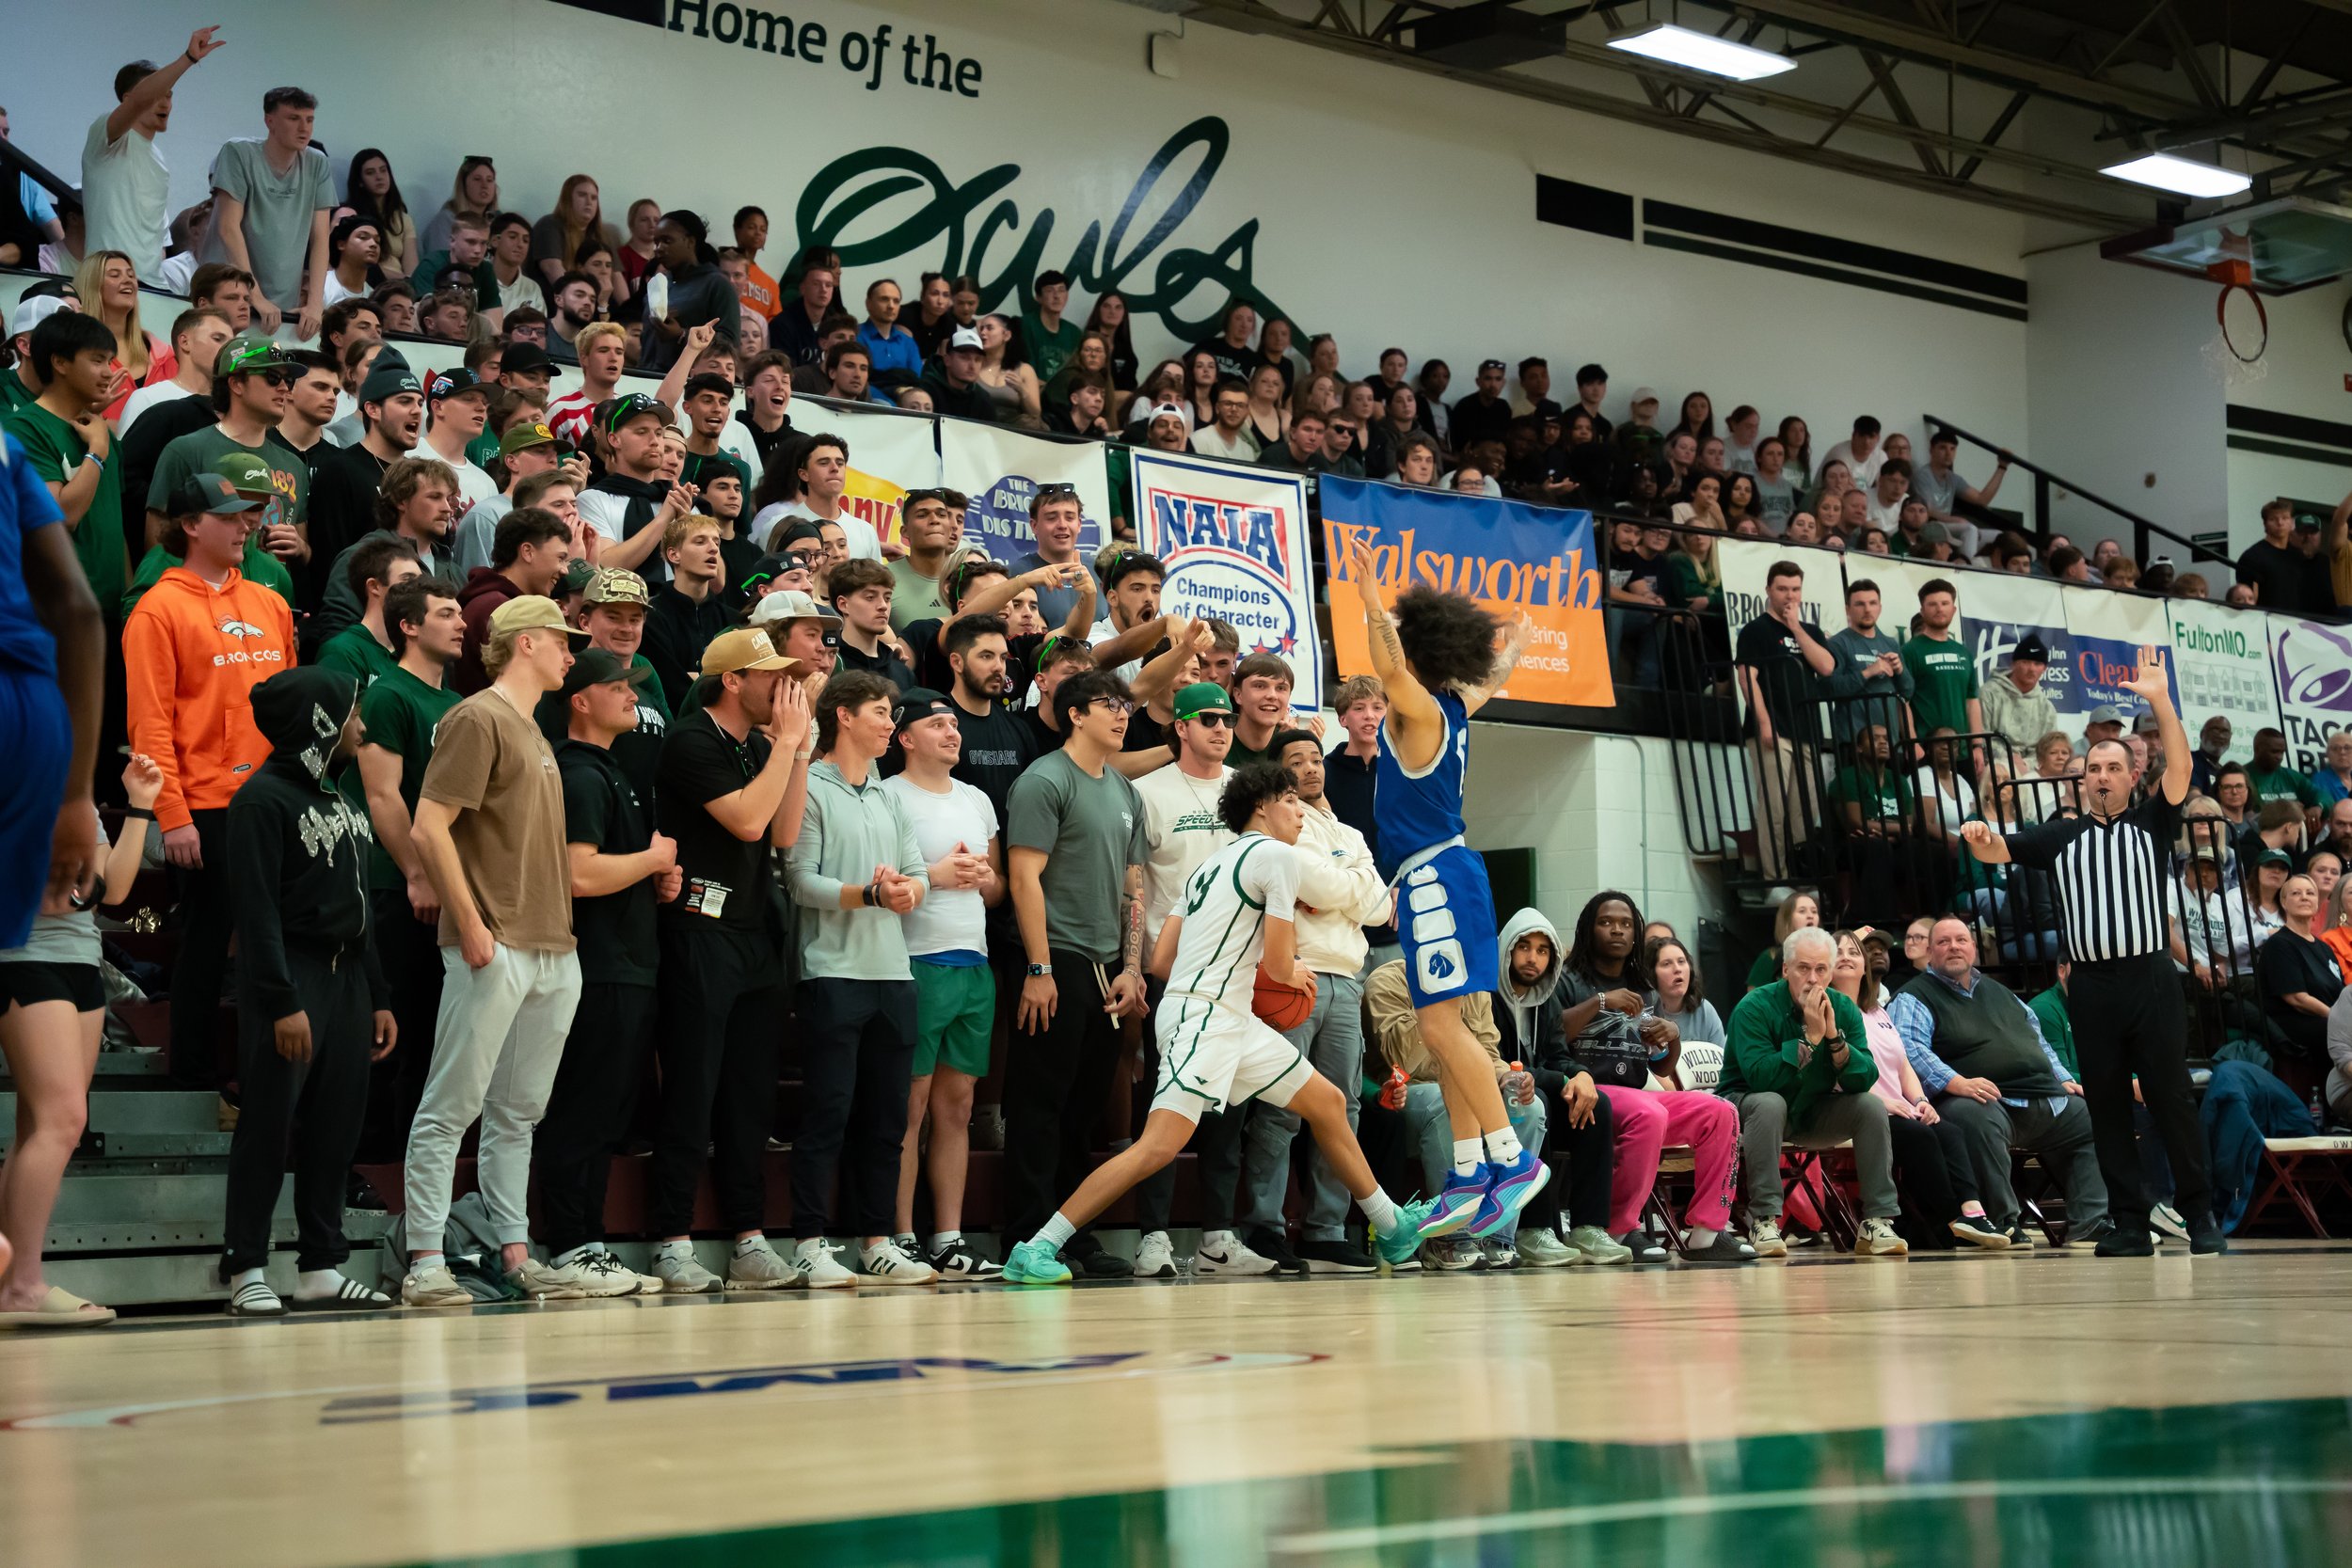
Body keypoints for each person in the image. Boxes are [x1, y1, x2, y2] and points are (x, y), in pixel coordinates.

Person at [1000, 765, 1436, 1284]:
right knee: (1157, 1146)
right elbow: (1277, 967)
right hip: (1206, 1018)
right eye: (1291, 801)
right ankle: (1037, 1247)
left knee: (1328, 1103)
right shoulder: (1276, 857)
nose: (1302, 812)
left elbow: (1162, 960)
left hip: (1220, 1013)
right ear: (1261, 807)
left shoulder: (1208, 867)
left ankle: (1390, 1226)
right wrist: (1292, 971)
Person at [1960, 645, 2223, 1257]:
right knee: (2105, 1104)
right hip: (2093, 987)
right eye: (2093, 767)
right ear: (2084, 779)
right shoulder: (2061, 835)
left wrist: (2159, 699)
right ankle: (2127, 1220)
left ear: (2133, 776)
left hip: (2151, 979)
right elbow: (2000, 849)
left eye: (2113, 765)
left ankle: (2200, 1215)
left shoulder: (2153, 822)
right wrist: (1978, 835)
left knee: (2170, 1099)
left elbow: (2180, 771)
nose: (2102, 774)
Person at [1339, 535, 1549, 1239]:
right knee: (1446, 1025)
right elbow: (1492, 677)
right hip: (1444, 873)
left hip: (1434, 874)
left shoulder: (1421, 711)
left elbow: (1386, 665)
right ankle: (1467, 1172)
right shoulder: (1457, 706)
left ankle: (1511, 1159)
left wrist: (1372, 601)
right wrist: (1512, 644)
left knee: (1437, 1026)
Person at [398, 597, 594, 1307]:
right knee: (452, 1105)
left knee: (520, 1111)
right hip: (496, 941)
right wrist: (470, 922)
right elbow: (427, 827)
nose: (574, 652)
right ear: (527, 642)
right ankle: (425, 1257)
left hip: (551, 944)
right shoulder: (477, 716)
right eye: (564, 641)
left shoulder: (535, 729)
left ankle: (513, 1248)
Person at [216, 668, 399, 1315]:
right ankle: (245, 1267)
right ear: (321, 722)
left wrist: (377, 993)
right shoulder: (261, 801)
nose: (362, 726)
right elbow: (257, 913)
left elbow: (361, 908)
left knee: (335, 1127)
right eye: (352, 714)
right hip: (291, 975)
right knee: (267, 1123)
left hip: (348, 978)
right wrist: (280, 1000)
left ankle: (321, 1264)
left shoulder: (344, 802)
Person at [644, 629, 815, 1292]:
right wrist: (790, 746)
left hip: (751, 933)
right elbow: (746, 820)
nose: (784, 686)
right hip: (696, 930)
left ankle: (748, 1235)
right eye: (769, 674)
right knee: (693, 1088)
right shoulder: (690, 739)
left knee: (749, 1096)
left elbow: (785, 832)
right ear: (733, 681)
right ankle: (671, 1239)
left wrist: (792, 754)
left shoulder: (756, 746)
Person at [124, 472, 294, 1091]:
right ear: (191, 524)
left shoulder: (270, 603)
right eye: (231, 514)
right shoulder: (157, 609)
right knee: (206, 938)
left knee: (272, 939)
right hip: (206, 804)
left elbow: (291, 710)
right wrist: (171, 814)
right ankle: (191, 1073)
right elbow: (149, 723)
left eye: (252, 513)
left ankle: (267, 1075)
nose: (247, 524)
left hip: (274, 799)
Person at [530, 643, 677, 1291]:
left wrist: (653, 879)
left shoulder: (611, 769)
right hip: (596, 966)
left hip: (629, 962)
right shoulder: (581, 773)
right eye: (619, 686)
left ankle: (586, 1239)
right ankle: (566, 1244)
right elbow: (578, 873)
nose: (633, 695)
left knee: (607, 1112)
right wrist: (649, 862)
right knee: (581, 1109)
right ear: (580, 700)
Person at [785, 673, 939, 1285]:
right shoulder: (813, 787)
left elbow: (918, 872)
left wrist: (906, 891)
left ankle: (877, 1239)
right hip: (831, 973)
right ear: (842, 716)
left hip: (893, 976)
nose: (890, 724)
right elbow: (802, 882)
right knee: (827, 1113)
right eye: (880, 711)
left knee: (885, 1120)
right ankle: (809, 1241)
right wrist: (870, 893)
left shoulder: (887, 793)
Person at [1228, 727, 1400, 1271]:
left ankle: (1327, 1230)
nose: (1309, 768)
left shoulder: (1348, 829)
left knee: (1344, 1108)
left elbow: (1378, 908)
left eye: (1313, 759)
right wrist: (1350, 889)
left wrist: (1340, 890)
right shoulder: (1282, 827)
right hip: (1291, 977)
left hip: (1347, 978)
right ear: (1279, 777)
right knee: (1283, 1107)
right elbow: (1339, 890)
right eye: (1294, 761)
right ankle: (1263, 1226)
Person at [1000, 669, 1152, 1275]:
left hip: (1107, 968)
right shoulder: (1044, 780)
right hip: (1053, 959)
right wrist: (1038, 967)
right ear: (1074, 714)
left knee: (1083, 1110)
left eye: (1125, 704)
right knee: (1039, 1107)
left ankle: (1067, 1234)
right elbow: (1022, 878)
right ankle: (1025, 1236)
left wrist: (1133, 966)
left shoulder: (1124, 791)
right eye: (1108, 704)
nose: (1121, 714)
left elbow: (1132, 891)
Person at [0, 752, 153, 1328]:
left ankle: (12, 1278)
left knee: (38, 1126)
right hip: (23, 955)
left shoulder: (75, 789)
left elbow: (111, 892)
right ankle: (22, 1287)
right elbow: (57, 888)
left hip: (81, 958)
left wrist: (139, 802)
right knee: (63, 1119)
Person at [1549, 893, 1752, 1264]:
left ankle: (1707, 1232)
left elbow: (1659, 1066)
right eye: (1606, 922)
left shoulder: (1643, 986)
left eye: (1626, 924)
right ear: (1588, 928)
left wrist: (1670, 1038)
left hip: (1637, 1091)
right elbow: (1552, 1034)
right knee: (1649, 1114)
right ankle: (1620, 1228)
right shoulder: (1567, 980)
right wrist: (1601, 1002)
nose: (1617, 930)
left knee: (1720, 1111)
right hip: (1586, 1091)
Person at [1883, 919, 2106, 1249]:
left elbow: (2038, 1039)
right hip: (1976, 1102)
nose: (1954, 947)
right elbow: (1909, 1049)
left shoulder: (2000, 992)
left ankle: (2089, 1224)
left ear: (1974, 948)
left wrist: (2064, 1077)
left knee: (2091, 1116)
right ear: (1930, 952)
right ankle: (2004, 1222)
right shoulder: (1915, 995)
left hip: (2040, 1097)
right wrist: (1955, 1081)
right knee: (1976, 1117)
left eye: (1962, 940)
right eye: (1944, 942)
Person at [880, 689, 1005, 1279]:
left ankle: (948, 1237)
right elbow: (876, 881)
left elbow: (998, 888)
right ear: (905, 737)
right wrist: (933, 873)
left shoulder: (978, 800)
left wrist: (983, 877)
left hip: (973, 962)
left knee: (958, 1108)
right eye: (937, 724)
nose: (952, 732)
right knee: (912, 1106)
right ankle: (900, 1234)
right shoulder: (887, 795)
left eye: (954, 723)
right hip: (916, 960)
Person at [348, 575, 463, 1163]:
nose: (462, 622)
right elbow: (383, 795)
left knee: (433, 1041)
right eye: (446, 613)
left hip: (449, 889)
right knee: (394, 1033)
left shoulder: (455, 700)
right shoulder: (390, 693)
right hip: (400, 888)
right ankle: (371, 1164)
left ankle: (416, 1165)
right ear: (409, 626)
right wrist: (418, 873)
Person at [1719, 927, 1910, 1257]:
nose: (1812, 978)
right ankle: (1764, 1220)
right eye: (1803, 968)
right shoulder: (1754, 1006)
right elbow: (1762, 1078)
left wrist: (1834, 1038)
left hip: (1809, 1109)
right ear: (1785, 970)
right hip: (1747, 1107)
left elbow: (1863, 1079)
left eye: (1821, 969)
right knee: (1770, 1102)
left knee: (1869, 1106)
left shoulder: (1842, 1008)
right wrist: (1809, 1038)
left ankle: (1877, 1221)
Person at [1828, 929, 2004, 1250]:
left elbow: (1904, 1064)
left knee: (1948, 1131)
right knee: (1921, 1137)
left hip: (1902, 1108)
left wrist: (1921, 1100)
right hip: (1858, 1110)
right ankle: (1950, 1221)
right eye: (1837, 951)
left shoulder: (1877, 1010)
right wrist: (1885, 1103)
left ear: (1865, 964)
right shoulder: (1827, 1010)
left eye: (1854, 951)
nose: (1846, 956)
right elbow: (1831, 1074)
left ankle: (1972, 1213)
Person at [4, 309, 129, 604]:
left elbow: (114, 525)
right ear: (59, 362)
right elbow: (61, 516)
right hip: (59, 610)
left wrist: (129, 596)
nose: (109, 372)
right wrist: (96, 453)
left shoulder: (101, 432)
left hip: (111, 608)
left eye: (109, 360)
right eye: (97, 360)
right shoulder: (23, 429)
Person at [82, 30, 226, 270]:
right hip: (105, 276)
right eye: (158, 94)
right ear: (128, 99)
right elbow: (139, 101)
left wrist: (156, 284)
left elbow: (158, 236)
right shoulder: (106, 134)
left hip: (150, 285)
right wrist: (188, 58)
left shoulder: (158, 158)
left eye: (169, 95)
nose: (165, 103)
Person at [198, 87, 331, 340]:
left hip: (282, 303)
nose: (304, 128)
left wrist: (315, 304)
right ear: (270, 121)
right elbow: (228, 228)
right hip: (229, 294)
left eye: (309, 119)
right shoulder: (238, 152)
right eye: (294, 118)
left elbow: (321, 238)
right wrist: (254, 295)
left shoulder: (317, 163)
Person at [1737, 562, 1839, 880]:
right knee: (1774, 810)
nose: (1789, 596)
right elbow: (1746, 678)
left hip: (1806, 731)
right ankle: (1775, 878)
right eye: (1782, 589)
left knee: (1804, 813)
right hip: (1774, 731)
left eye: (1795, 589)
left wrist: (1795, 627)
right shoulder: (1755, 630)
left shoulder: (1808, 630)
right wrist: (1765, 723)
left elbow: (1826, 667)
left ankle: (1801, 877)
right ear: (1768, 590)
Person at [452, 508, 573, 694]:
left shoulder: (495, 601)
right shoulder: (495, 606)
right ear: (527, 552)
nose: (565, 570)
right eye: (561, 558)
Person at [2256, 872, 2344, 1077]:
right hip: (2296, 1022)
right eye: (2296, 893)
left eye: (2310, 893)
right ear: (2284, 902)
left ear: (2317, 903)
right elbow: (2297, 998)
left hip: (2328, 1018)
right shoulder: (2280, 944)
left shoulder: (2324, 948)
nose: (2304, 897)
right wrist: (2336, 1017)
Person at [314, 534, 421, 689]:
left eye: (421, 581)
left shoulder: (417, 652)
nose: (421, 589)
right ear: (374, 587)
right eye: (408, 580)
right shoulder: (341, 653)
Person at [1827, 578, 1912, 744]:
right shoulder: (1837, 643)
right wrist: (1867, 673)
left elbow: (1907, 693)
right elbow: (1829, 688)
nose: (1867, 610)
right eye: (1860, 604)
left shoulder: (1890, 643)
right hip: (1853, 743)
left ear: (1880, 608)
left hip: (1890, 743)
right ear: (1847, 609)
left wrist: (1900, 671)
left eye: (1872, 603)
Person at [1902, 578, 1981, 742]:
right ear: (1922, 611)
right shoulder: (1909, 651)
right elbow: (1902, 703)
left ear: (1953, 610)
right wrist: (1912, 742)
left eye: (1944, 603)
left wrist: (1977, 745)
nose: (1939, 609)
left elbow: (1972, 701)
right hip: (1927, 748)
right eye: (1932, 604)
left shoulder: (1964, 653)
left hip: (1963, 750)